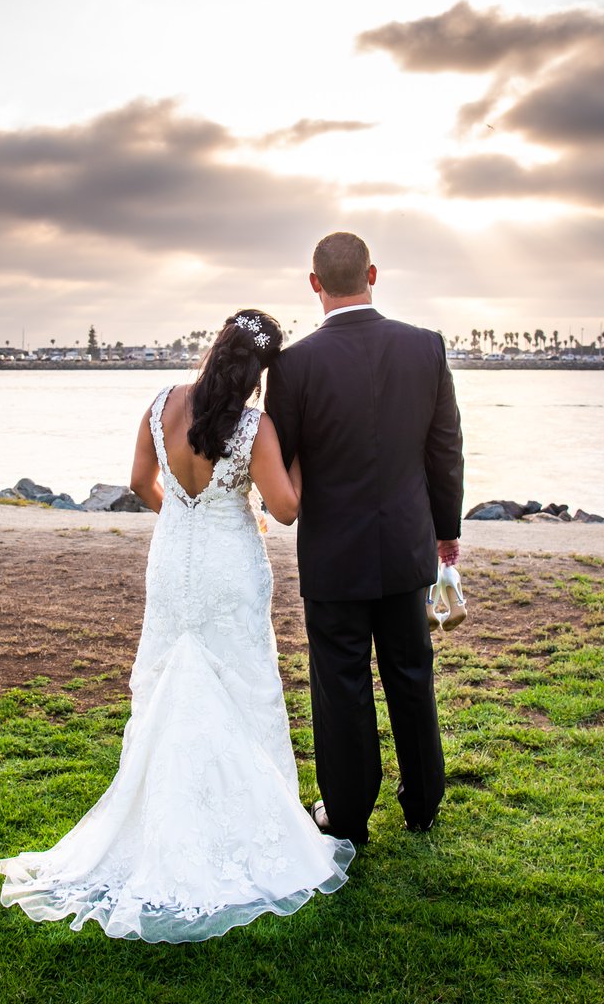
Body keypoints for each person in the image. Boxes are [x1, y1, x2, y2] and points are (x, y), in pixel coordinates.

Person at [0, 309, 353, 942]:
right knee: (239, 680)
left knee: (169, 679)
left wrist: (184, 513)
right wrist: (305, 460)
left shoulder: (161, 402)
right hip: (229, 565)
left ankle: (161, 814)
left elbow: (141, 482)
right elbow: (287, 509)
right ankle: (243, 824)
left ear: (217, 348)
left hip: (174, 560)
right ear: (259, 371)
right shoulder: (254, 425)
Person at [265, 231, 464, 844]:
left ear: (314, 283)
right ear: (373, 274)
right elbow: (445, 448)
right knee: (411, 673)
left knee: (341, 684)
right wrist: (445, 534)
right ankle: (424, 803)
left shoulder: (293, 364)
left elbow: (283, 458)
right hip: (406, 545)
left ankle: (346, 816)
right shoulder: (424, 347)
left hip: (333, 553)